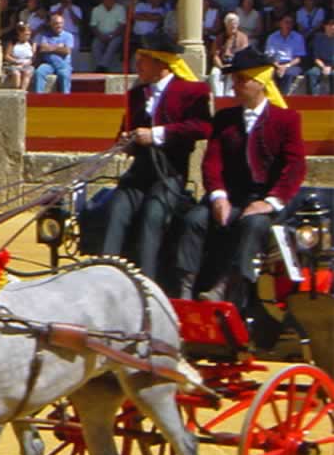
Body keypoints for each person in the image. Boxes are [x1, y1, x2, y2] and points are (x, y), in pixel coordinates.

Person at [175, 49, 306, 304]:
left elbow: (295, 167)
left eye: (240, 80)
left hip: (265, 198)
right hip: (232, 197)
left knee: (253, 224)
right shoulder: (225, 118)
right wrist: (218, 196)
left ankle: (227, 286)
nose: (234, 86)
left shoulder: (287, 119)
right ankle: (185, 287)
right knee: (194, 219)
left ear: (259, 83)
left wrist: (271, 202)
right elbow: (211, 162)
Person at [100, 39, 212, 282]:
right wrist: (125, 141)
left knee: (153, 216)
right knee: (114, 209)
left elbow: (202, 127)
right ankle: (105, 276)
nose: (137, 64)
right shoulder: (136, 94)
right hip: (139, 172)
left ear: (162, 63)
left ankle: (146, 282)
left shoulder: (192, 92)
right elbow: (124, 131)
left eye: (143, 60)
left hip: (169, 174)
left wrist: (157, 134)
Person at [31, 12, 74, 93]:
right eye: (56, 23)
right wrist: (59, 47)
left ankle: (66, 100)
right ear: (51, 24)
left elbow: (67, 51)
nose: (59, 25)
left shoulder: (68, 36)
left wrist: (50, 47)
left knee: (64, 75)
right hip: (48, 64)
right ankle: (38, 98)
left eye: (61, 23)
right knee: (39, 72)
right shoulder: (46, 35)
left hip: (63, 65)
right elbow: (42, 49)